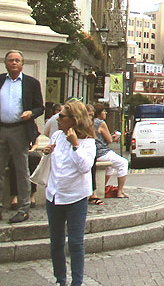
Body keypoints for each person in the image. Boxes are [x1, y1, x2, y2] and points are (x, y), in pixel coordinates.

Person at [43, 99, 96, 286]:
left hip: (76, 197)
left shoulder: (88, 143)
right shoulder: (56, 136)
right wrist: (46, 152)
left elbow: (85, 167)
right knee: (56, 242)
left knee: (75, 242)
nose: (57, 119)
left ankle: (77, 282)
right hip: (54, 196)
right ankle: (60, 280)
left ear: (73, 120)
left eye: (62, 116)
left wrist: (75, 145)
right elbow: (54, 165)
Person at [0, 49, 45, 223]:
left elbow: (40, 107)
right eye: (11, 60)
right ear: (5, 63)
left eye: (17, 60)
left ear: (22, 64)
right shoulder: (1, 80)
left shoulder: (31, 83)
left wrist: (30, 113)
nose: (14, 63)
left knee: (21, 170)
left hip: (20, 130)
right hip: (1, 128)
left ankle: (24, 208)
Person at [93, 103, 129, 197]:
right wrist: (114, 138)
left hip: (94, 152)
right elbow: (108, 140)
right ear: (99, 113)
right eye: (104, 111)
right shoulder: (101, 123)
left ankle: (100, 188)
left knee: (110, 167)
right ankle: (120, 191)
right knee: (123, 163)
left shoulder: (90, 122)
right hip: (102, 152)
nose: (105, 113)